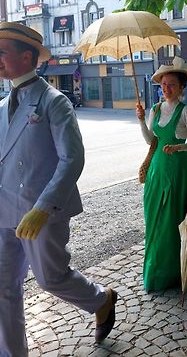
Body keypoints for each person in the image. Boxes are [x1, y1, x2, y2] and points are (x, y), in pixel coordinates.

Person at [0, 22, 117, 355]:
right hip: (4, 209)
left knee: (51, 278)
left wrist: (42, 208)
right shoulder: (1, 105)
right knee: (3, 289)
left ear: (27, 57)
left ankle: (100, 299)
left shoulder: (54, 101)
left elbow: (72, 160)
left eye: (2, 52)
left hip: (40, 211)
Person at [136, 56, 187, 291]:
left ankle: (174, 271)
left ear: (181, 87)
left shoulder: (186, 111)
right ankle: (156, 270)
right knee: (154, 219)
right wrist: (142, 121)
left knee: (173, 221)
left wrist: (178, 147)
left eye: (171, 84)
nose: (166, 88)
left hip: (178, 169)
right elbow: (151, 140)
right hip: (157, 169)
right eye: (163, 84)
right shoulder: (155, 109)